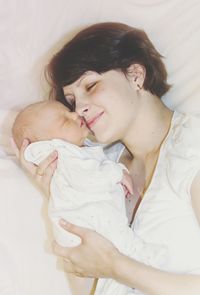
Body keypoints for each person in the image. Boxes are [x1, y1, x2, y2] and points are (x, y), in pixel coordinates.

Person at [14, 22, 200, 295]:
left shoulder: (191, 147)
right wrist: (60, 194)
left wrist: (116, 266)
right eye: (71, 100)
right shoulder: (102, 167)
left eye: (90, 85)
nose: (80, 107)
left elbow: (107, 267)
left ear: (135, 74)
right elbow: (89, 285)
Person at [13, 100, 163, 295]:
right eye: (64, 120)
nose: (76, 114)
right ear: (47, 143)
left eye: (68, 111)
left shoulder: (77, 155)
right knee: (120, 242)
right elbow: (93, 177)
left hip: (89, 239)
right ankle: (141, 256)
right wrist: (117, 172)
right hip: (89, 223)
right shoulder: (66, 155)